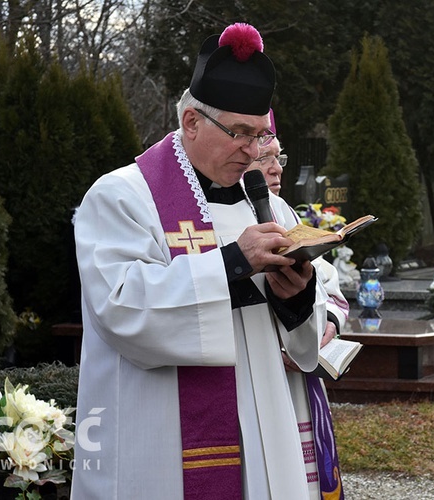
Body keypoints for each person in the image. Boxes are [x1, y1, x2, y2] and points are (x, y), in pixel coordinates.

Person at [71, 23, 337, 499]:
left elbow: (301, 340)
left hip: (264, 429)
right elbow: (121, 308)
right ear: (192, 122)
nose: (253, 151)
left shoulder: (271, 208)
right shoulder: (121, 196)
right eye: (239, 133)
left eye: (259, 136)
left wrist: (296, 297)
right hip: (163, 436)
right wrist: (235, 262)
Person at [249, 111, 349, 497]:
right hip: (263, 374)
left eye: (280, 157)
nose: (276, 170)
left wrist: (328, 327)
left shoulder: (285, 212)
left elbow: (332, 292)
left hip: (302, 376)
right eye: (265, 158)